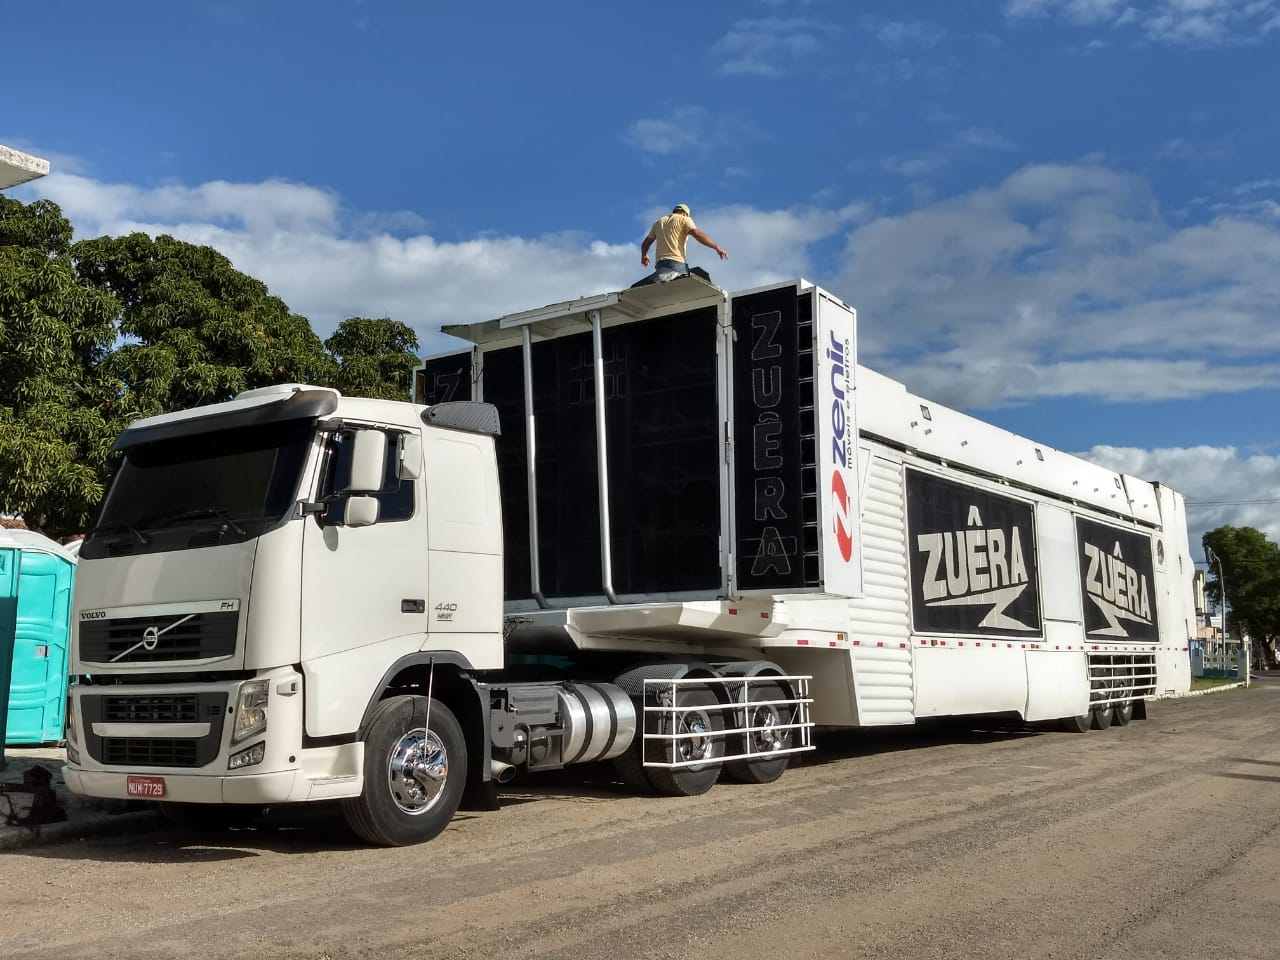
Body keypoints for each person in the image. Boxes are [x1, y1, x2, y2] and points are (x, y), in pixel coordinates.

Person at [640, 204, 727, 276]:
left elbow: (645, 244)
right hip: (676, 263)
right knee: (702, 276)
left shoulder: (658, 222)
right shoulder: (684, 219)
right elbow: (698, 234)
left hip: (660, 266)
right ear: (685, 213)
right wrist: (716, 247)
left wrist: (644, 255)